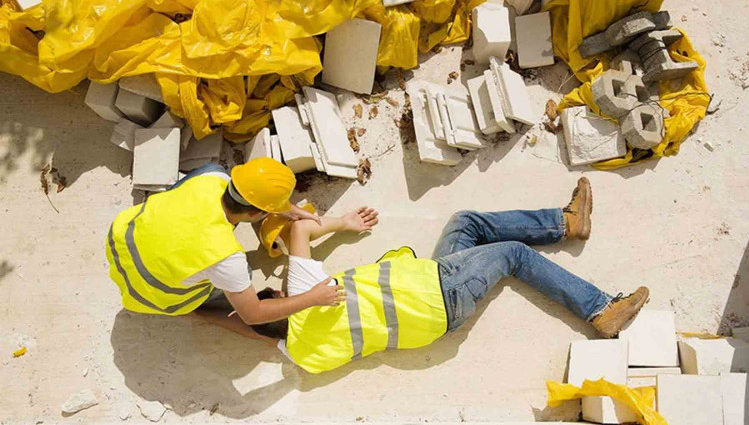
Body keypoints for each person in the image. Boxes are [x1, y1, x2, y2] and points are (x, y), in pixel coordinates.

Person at [242, 177, 650, 374]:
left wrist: (220, 316)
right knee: (513, 254)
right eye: (275, 290)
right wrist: (343, 222)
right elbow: (301, 229)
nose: (279, 285)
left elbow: (253, 326)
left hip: (434, 313)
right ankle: (600, 309)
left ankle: (566, 222)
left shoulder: (301, 354)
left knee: (464, 223)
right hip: (438, 290)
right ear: (280, 298)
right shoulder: (302, 291)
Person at [105, 157, 345, 326]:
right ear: (256, 213)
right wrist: (313, 298)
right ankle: (200, 308)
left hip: (121, 242)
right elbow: (253, 314)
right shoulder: (225, 256)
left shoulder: (211, 177)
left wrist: (287, 209)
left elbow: (247, 192)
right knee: (243, 275)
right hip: (151, 294)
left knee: (206, 171)